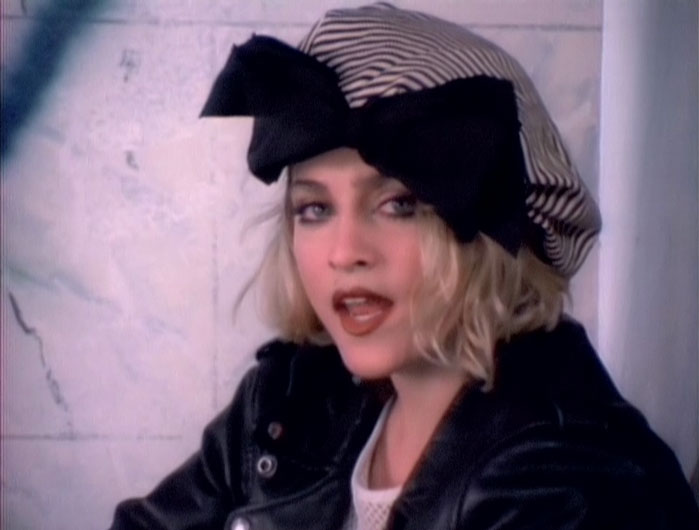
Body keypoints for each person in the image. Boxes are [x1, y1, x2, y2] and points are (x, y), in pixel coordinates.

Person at [110, 4, 698, 529]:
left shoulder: (572, 482)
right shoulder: (286, 402)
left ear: (491, 233)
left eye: (398, 204)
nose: (345, 252)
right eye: (315, 208)